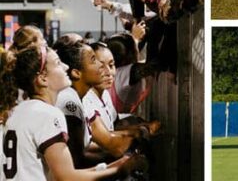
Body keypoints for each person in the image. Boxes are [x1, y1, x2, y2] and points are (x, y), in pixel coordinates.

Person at [0, 46, 147, 180]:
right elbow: (66, 177)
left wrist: (111, 166)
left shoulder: (17, 111)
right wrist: (119, 169)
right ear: (42, 78)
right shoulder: (47, 114)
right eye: (58, 63)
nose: (66, 67)